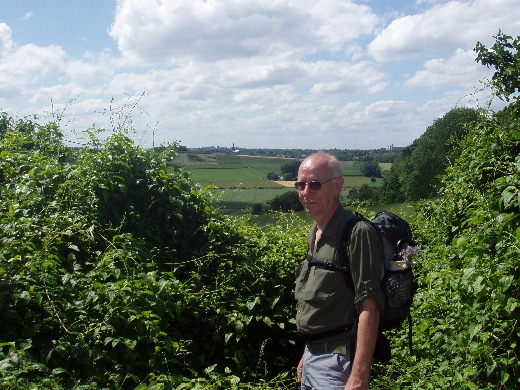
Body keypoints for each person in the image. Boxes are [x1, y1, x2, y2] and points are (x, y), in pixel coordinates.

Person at [294, 152, 384, 390]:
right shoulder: (316, 231)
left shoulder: (357, 233)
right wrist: (308, 353)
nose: (305, 193)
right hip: (313, 359)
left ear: (337, 185)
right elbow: (320, 305)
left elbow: (370, 306)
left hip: (338, 365)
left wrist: (359, 377)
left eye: (314, 185)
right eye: (300, 185)